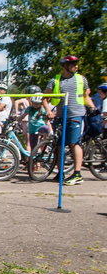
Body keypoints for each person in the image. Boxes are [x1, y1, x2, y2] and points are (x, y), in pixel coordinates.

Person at [43, 55, 97, 185]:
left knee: (74, 143)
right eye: (73, 64)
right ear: (65, 66)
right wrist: (49, 111)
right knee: (60, 145)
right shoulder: (55, 80)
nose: (76, 66)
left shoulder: (81, 79)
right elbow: (45, 98)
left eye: (77, 64)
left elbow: (85, 97)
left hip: (76, 115)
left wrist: (93, 107)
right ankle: (60, 173)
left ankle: (77, 174)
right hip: (61, 116)